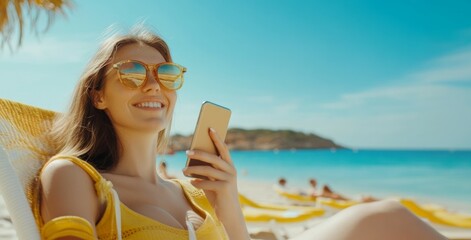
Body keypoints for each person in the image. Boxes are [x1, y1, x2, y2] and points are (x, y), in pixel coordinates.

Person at [36, 25, 447, 240]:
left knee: (386, 216)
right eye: (130, 73)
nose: (152, 85)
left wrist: (227, 198)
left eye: (167, 73)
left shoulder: (193, 191)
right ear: (98, 96)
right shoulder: (75, 176)